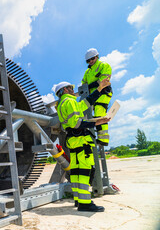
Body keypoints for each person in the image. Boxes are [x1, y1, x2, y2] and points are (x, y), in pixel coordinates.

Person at [53, 78, 111, 212]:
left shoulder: (63, 103)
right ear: (66, 90)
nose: (74, 91)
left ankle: (79, 200)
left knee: (76, 171)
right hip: (80, 139)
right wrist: (96, 123)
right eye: (71, 88)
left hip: (72, 140)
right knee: (85, 171)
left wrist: (99, 89)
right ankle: (85, 203)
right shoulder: (69, 101)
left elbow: (85, 103)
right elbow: (76, 124)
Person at [82, 48, 112, 146]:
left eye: (92, 59)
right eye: (88, 60)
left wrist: (89, 86)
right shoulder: (87, 72)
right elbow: (83, 84)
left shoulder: (104, 65)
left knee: (99, 114)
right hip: (93, 95)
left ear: (97, 56)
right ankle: (90, 136)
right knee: (87, 116)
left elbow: (103, 81)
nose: (90, 61)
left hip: (103, 92)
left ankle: (103, 140)